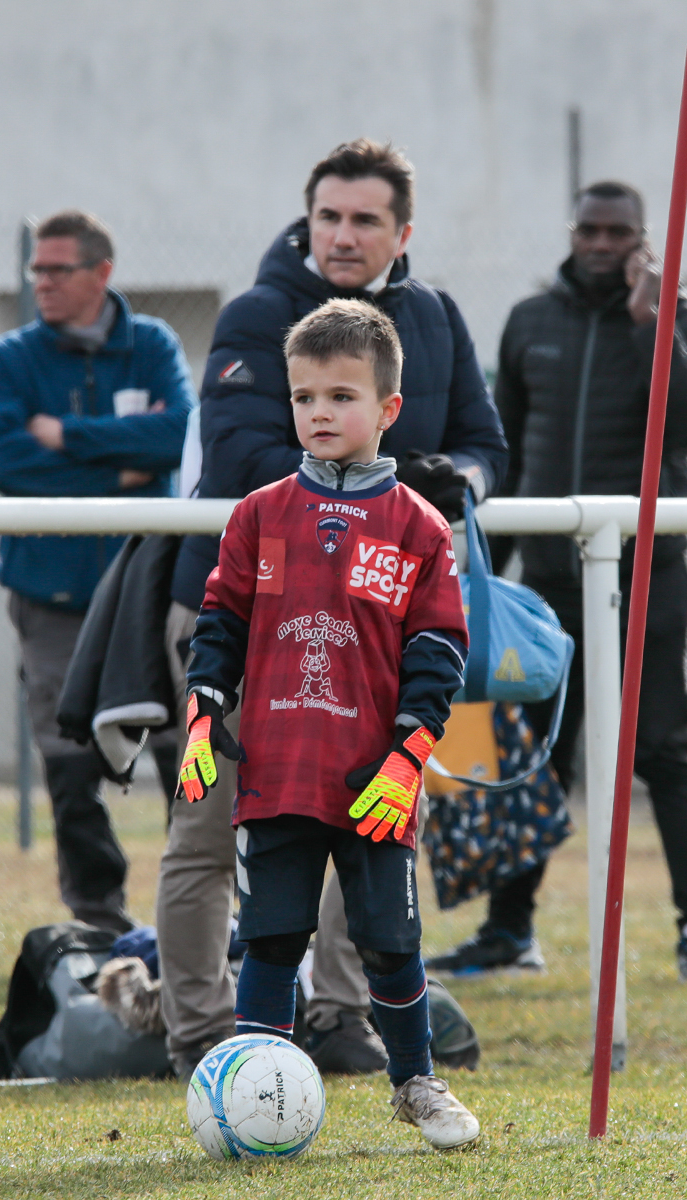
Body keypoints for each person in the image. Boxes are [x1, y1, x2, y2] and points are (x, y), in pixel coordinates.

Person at [159, 139, 507, 1078]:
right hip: (242, 610)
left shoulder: (434, 319)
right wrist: (358, 494)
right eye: (329, 216)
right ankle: (198, 1034)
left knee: (371, 820)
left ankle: (345, 1020)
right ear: (306, 219)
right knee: (211, 829)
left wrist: (447, 481)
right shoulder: (257, 314)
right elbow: (237, 455)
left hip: (374, 628)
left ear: (403, 232)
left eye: (365, 219)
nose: (344, 235)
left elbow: (484, 443)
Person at [179, 299, 479, 1149]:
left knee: (390, 940)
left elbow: (439, 650)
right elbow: (220, 623)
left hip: (374, 780)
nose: (319, 412)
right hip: (276, 770)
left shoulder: (419, 526)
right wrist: (205, 715)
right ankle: (255, 1086)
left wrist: (409, 754)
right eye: (304, 396)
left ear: (388, 409)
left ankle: (415, 1082)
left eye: (342, 396)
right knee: (271, 934)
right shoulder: (259, 514)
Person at [440, 179, 687, 983]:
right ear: (572, 232)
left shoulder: (686, 322)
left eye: (619, 233)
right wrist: (481, 581)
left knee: (664, 753)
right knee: (530, 756)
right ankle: (511, 933)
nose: (602, 244)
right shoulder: (531, 321)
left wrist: (654, 323)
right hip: (546, 589)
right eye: (590, 230)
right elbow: (499, 448)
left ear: (642, 239)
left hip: (648, 577)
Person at [0, 210, 194, 934]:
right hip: (50, 591)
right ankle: (99, 919)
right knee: (69, 764)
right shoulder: (8, 361)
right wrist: (125, 465)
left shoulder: (154, 344)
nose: (39, 282)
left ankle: (197, 911)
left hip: (147, 585)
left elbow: (178, 437)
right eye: (36, 269)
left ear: (101, 273)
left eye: (56, 270)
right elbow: (11, 466)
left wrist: (68, 436)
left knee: (181, 749)